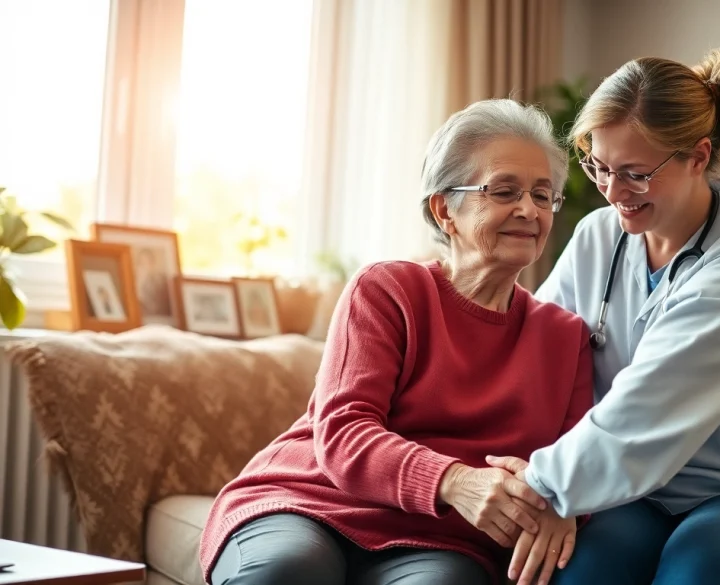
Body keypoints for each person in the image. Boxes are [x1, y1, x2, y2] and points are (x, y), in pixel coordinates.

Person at [198, 99, 594, 585]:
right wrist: (455, 480)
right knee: (290, 570)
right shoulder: (389, 289)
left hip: (439, 540)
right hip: (313, 501)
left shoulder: (565, 337)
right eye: (505, 190)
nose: (528, 210)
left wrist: (564, 504)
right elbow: (343, 430)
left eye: (542, 194)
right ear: (444, 208)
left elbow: (585, 459)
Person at [486, 50, 720, 585]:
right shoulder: (598, 237)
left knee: (694, 568)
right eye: (599, 166)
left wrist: (543, 484)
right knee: (577, 573)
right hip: (636, 494)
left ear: (698, 156)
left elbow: (650, 408)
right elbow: (539, 353)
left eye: (636, 174)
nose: (613, 191)